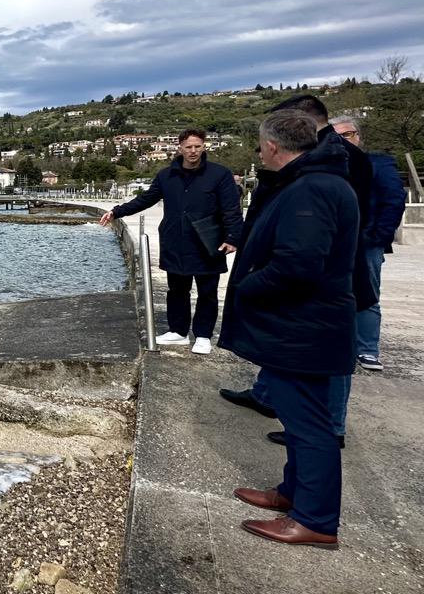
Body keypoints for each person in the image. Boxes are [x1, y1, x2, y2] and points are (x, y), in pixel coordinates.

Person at [218, 111, 358, 548]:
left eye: (261, 146)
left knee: (309, 425)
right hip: (305, 325)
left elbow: (298, 265)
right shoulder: (321, 181)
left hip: (303, 328)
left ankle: (314, 519)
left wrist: (246, 287)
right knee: (298, 420)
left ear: (274, 147)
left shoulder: (311, 189)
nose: (260, 152)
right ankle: (291, 493)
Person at [219, 93, 377, 441]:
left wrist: (252, 282)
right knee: (289, 349)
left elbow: (315, 238)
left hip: (327, 275)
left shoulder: (334, 163)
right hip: (306, 265)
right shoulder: (313, 161)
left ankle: (329, 427)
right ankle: (267, 396)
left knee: (324, 359)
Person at [100, 128, 242, 354]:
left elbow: (231, 208)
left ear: (204, 146)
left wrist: (233, 237)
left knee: (207, 291)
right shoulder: (166, 176)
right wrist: (117, 211)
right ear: (180, 148)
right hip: (175, 240)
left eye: (197, 146)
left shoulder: (220, 174)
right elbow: (146, 199)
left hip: (207, 241)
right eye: (188, 147)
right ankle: (178, 332)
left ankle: (203, 335)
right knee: (176, 289)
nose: (193, 151)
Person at [328, 115, 406, 372]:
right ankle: (340, 344)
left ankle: (367, 349)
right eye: (336, 136)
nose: (343, 141)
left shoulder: (378, 164)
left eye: (348, 134)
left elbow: (393, 202)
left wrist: (375, 238)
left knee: (368, 294)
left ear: (358, 136)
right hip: (333, 241)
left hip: (365, 242)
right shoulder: (329, 167)